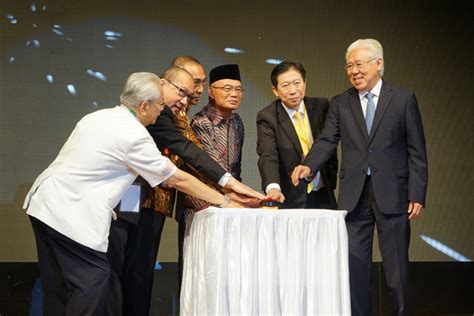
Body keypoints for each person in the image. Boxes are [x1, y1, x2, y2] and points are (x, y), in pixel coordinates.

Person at [23, 72, 242, 315]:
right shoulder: (135, 135)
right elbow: (177, 178)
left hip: (43, 205)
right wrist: (224, 201)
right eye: (159, 107)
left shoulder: (99, 116)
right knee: (93, 282)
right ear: (144, 105)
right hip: (71, 214)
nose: (161, 112)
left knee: (59, 287)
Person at [111, 65, 264, 315]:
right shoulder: (160, 114)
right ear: (164, 83)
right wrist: (229, 190)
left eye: (199, 84)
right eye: (189, 85)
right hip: (135, 197)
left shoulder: (182, 112)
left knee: (141, 268)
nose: (194, 92)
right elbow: (188, 152)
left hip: (158, 200)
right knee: (130, 268)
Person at [291, 39, 428, 315]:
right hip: (354, 197)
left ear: (378, 63)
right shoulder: (341, 102)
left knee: (397, 268)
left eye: (359, 64)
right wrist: (309, 166)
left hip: (394, 194)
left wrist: (417, 192)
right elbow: (328, 139)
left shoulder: (402, 99)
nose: (353, 71)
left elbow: (417, 150)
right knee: (354, 268)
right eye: (349, 66)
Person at [256, 61, 338, 209]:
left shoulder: (322, 106)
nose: (293, 90)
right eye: (285, 85)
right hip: (290, 196)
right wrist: (273, 188)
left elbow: (329, 142)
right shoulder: (268, 117)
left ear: (305, 83)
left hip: (323, 191)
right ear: (275, 90)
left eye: (297, 83)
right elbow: (268, 155)